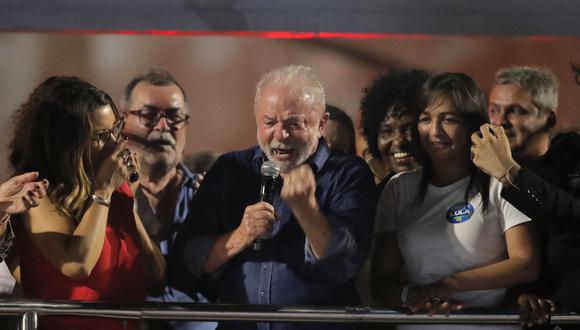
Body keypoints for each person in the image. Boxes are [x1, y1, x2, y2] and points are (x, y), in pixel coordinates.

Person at [173, 65, 376, 330]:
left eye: (295, 123)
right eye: (270, 122)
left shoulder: (348, 173)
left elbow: (345, 266)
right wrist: (240, 236)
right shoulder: (229, 169)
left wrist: (307, 210)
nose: (281, 135)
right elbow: (184, 267)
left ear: (321, 124)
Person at [371, 72, 539, 329]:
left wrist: (448, 286)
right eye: (425, 119)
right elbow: (382, 281)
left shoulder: (501, 182)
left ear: (472, 124)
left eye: (448, 119)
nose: (434, 131)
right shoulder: (399, 189)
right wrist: (414, 296)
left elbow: (526, 263)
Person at [9, 76, 165, 330]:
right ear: (67, 142)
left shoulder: (114, 190)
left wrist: (126, 203)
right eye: (102, 136)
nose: (115, 143)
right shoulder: (38, 194)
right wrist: (103, 191)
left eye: (116, 129)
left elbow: (155, 280)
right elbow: (76, 264)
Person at [472, 65, 580, 328]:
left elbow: (572, 220)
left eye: (516, 111)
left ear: (550, 119)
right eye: (494, 110)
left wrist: (510, 174)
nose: (500, 121)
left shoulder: (573, 168)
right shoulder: (474, 179)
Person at [120, 68, 215, 330]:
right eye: (148, 116)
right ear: (122, 122)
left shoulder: (212, 190)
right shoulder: (100, 196)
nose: (162, 127)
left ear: (187, 124)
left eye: (174, 117)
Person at [360, 69, 430, 188]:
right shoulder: (371, 201)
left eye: (409, 129)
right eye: (387, 131)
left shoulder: (464, 193)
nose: (398, 141)